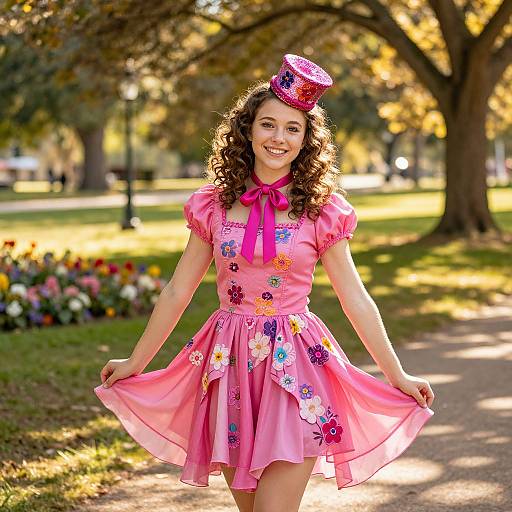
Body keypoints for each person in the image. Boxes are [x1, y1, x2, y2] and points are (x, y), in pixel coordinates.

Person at [94, 54, 435, 512]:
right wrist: (137, 361)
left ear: (306, 140)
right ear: (248, 131)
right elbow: (178, 290)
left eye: (293, 128)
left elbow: (355, 296)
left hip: (296, 367)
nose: (279, 138)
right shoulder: (213, 206)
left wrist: (397, 375)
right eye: (268, 125)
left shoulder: (321, 210)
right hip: (228, 363)